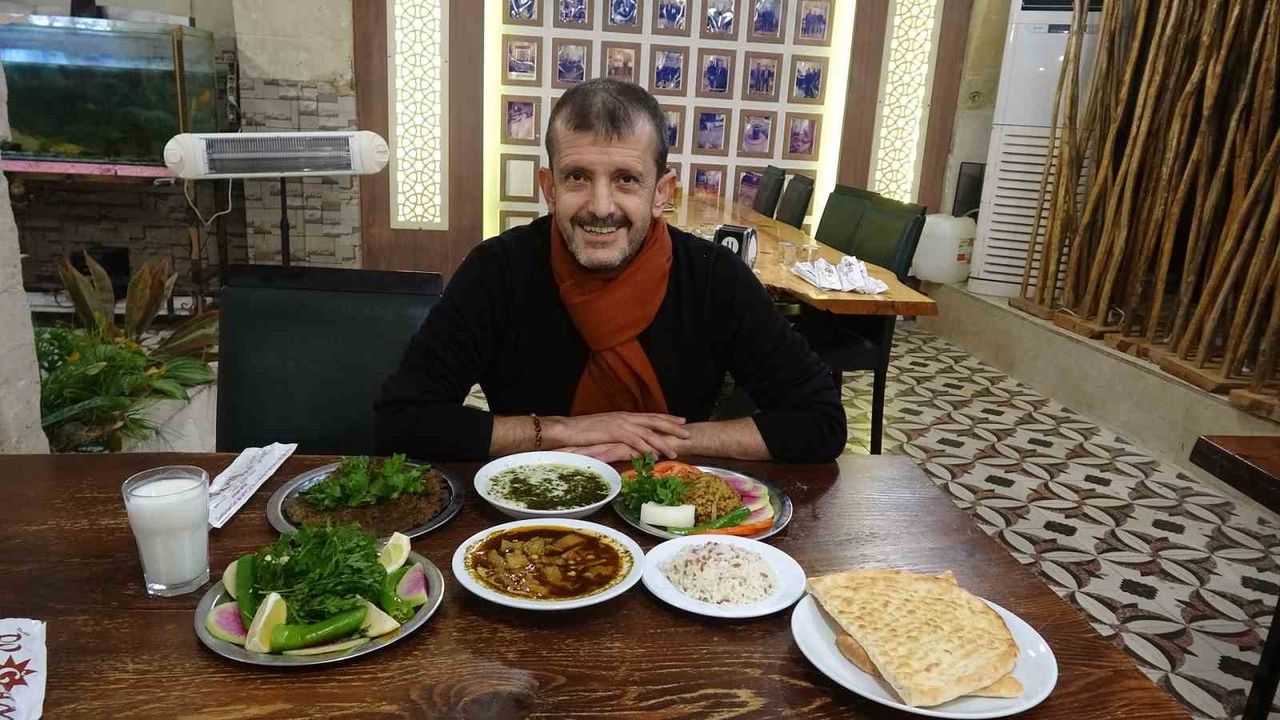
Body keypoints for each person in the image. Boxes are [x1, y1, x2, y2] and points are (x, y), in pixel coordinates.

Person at [375, 78, 845, 464]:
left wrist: (658, 439)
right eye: (577, 177)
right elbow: (401, 419)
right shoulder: (496, 271)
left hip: (676, 519)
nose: (601, 207)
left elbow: (820, 421)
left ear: (661, 193)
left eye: (626, 179)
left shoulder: (714, 278)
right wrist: (563, 431)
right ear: (550, 188)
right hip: (528, 514)